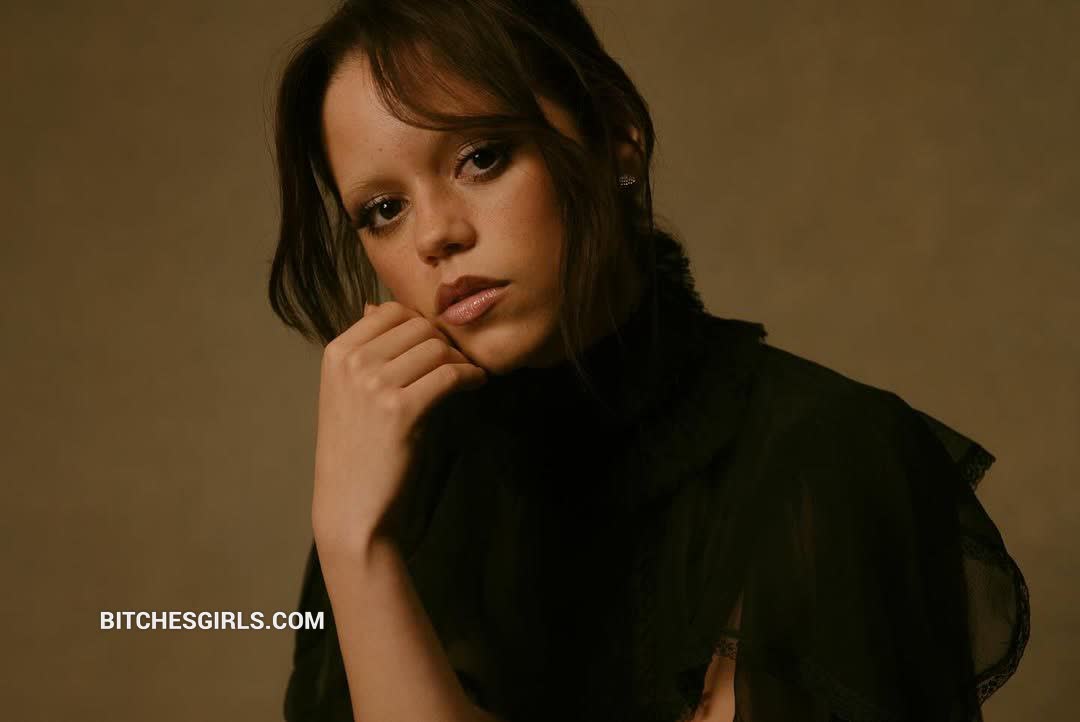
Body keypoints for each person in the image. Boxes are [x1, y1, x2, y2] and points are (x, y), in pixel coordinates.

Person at [266, 2, 1030, 721]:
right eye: (384, 209)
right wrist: (353, 546)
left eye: (482, 157)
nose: (435, 234)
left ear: (616, 139)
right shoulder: (391, 494)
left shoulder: (823, 457)